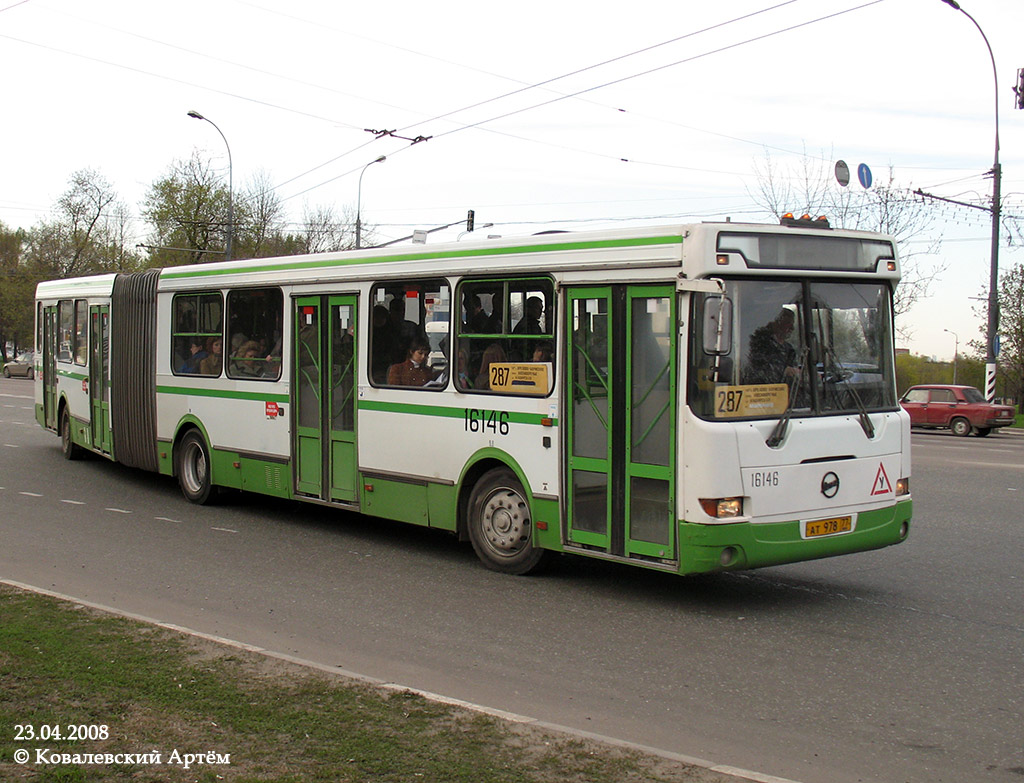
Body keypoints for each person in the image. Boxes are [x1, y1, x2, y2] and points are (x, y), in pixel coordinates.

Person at [744, 309, 800, 385]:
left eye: (792, 323)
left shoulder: (789, 349)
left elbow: (794, 372)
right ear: (777, 323)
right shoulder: (761, 345)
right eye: (788, 323)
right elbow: (758, 370)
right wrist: (784, 371)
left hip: (788, 393)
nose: (792, 328)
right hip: (764, 392)